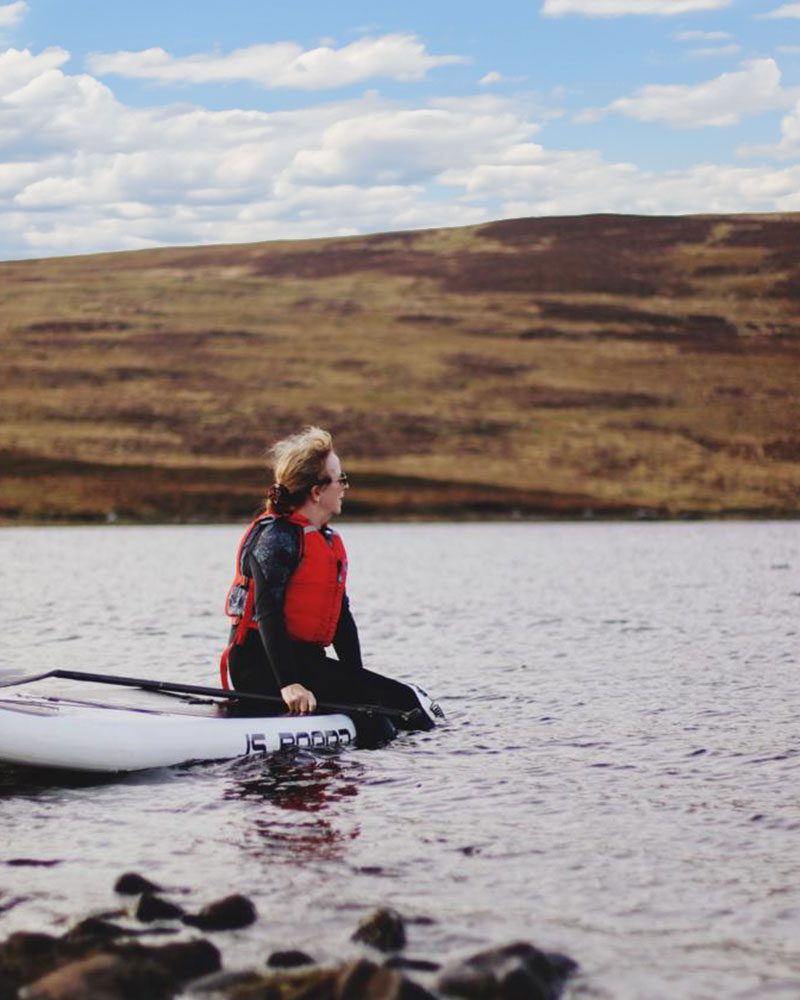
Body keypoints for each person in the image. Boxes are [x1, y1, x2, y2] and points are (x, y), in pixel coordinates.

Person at [220, 426, 440, 734]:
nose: (345, 486)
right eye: (340, 479)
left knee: (401, 705)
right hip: (260, 668)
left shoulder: (325, 540)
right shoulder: (276, 539)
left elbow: (341, 618)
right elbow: (267, 612)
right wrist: (290, 685)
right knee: (383, 721)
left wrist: (357, 678)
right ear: (316, 492)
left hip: (306, 663)